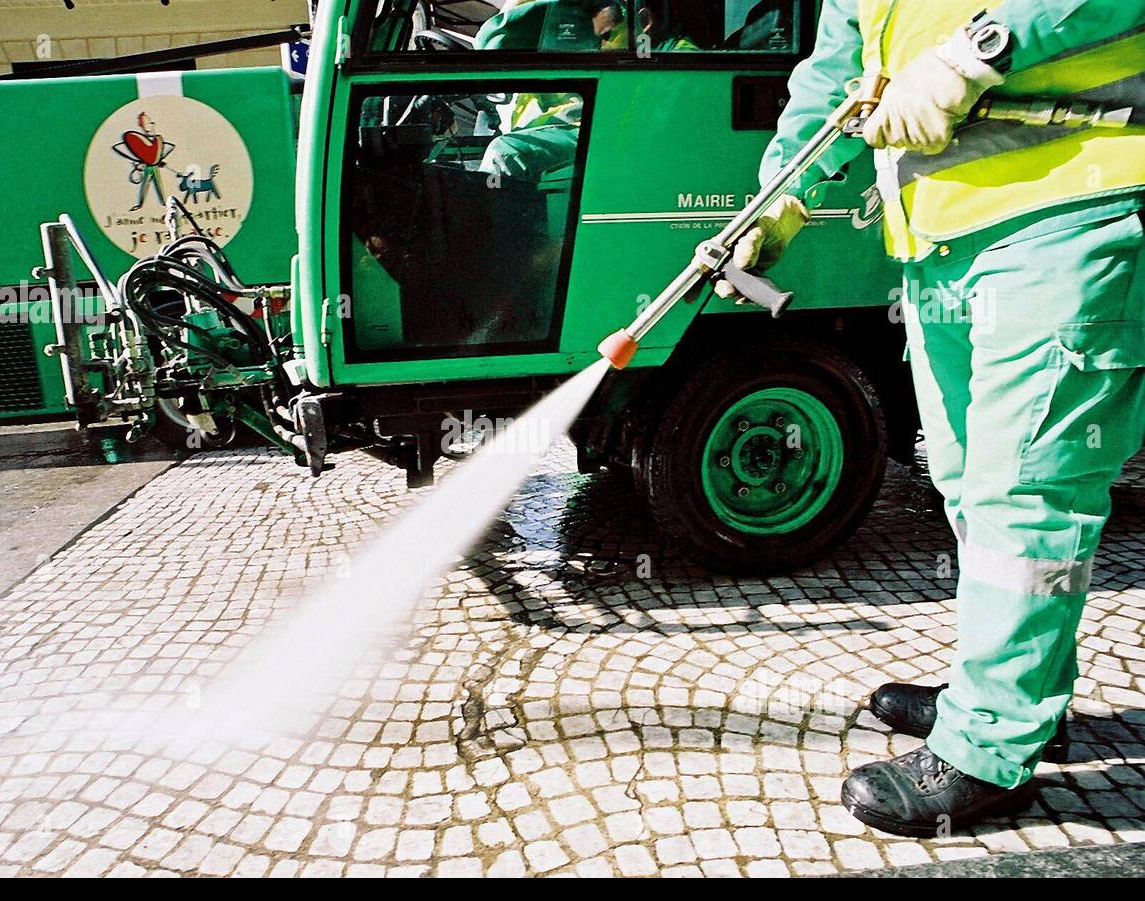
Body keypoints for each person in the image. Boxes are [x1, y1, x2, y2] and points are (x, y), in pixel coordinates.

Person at [720, 1, 1144, 837]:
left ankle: (990, 749)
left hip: (1069, 206)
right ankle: (1018, 697)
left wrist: (978, 53)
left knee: (1024, 492)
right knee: (963, 479)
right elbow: (837, 73)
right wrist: (781, 192)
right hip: (938, 238)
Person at [474, 0, 623, 178]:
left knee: (505, 155)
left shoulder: (605, 15)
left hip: (586, 126)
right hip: (530, 120)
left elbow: (494, 40)